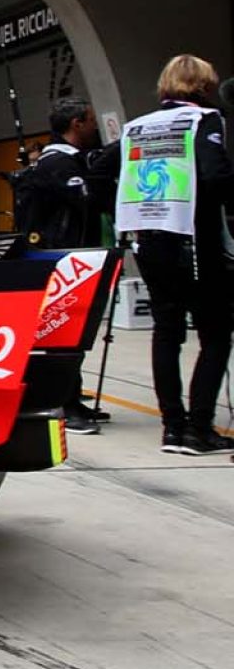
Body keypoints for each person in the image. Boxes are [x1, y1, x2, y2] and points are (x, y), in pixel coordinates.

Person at [115, 55, 234, 456]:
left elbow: (99, 169)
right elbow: (216, 176)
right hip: (194, 239)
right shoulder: (205, 120)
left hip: (150, 241)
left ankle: (172, 427)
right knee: (216, 333)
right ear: (201, 86)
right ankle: (198, 429)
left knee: (166, 330)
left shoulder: (138, 126)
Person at [13, 96, 111, 434]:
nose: (95, 125)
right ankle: (62, 403)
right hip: (61, 258)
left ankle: (72, 396)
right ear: (77, 124)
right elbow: (89, 199)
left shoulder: (71, 160)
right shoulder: (58, 163)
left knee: (75, 333)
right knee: (62, 336)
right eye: (90, 119)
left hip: (76, 255)